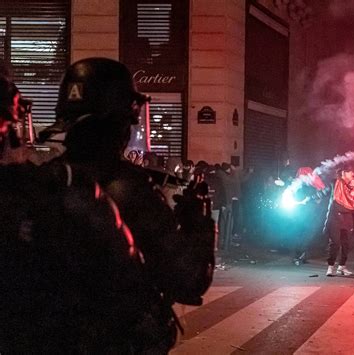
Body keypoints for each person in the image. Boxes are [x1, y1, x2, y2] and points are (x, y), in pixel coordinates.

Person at [7, 57, 214, 352]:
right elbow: (190, 279)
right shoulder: (132, 190)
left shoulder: (44, 183)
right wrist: (199, 222)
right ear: (121, 121)